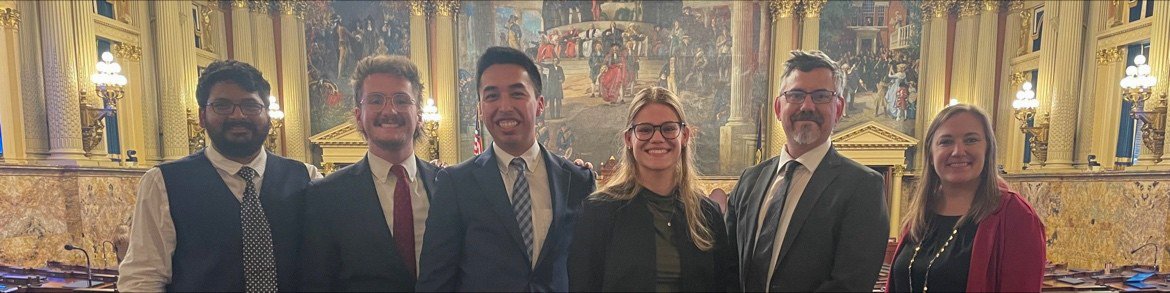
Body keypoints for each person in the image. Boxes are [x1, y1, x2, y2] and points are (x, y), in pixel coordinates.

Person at [118, 60, 322, 292]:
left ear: (267, 115)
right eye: (222, 105)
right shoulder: (163, 183)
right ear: (202, 115)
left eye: (251, 105)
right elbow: (143, 278)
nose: (238, 115)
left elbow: (325, 262)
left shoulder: (306, 177)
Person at [417, 46, 596, 292]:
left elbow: (589, 270)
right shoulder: (455, 184)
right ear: (480, 108)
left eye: (517, 94)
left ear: (539, 104)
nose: (504, 106)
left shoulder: (578, 180)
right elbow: (435, 280)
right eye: (491, 96)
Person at [726, 50, 889, 292]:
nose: (807, 105)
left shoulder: (864, 187)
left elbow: (849, 284)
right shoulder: (750, 181)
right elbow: (727, 266)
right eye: (796, 95)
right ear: (778, 107)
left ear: (839, 108)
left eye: (822, 96)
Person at [568, 87, 737, 292]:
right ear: (629, 139)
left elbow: (725, 286)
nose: (657, 138)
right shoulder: (598, 211)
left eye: (668, 128)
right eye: (645, 129)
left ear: (684, 136)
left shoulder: (708, 214)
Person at [299, 55, 440, 291]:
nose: (390, 110)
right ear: (358, 116)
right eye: (375, 100)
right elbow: (317, 282)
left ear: (419, 116)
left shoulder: (447, 186)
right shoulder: (325, 196)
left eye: (402, 100)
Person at [887, 104, 1046, 292]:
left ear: (988, 150)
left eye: (971, 140)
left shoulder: (1016, 216)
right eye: (945, 141)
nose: (958, 151)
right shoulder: (922, 212)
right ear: (930, 155)